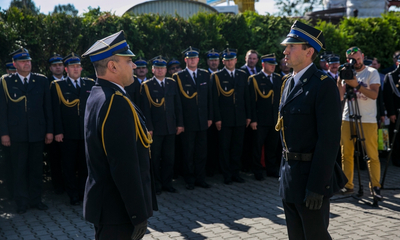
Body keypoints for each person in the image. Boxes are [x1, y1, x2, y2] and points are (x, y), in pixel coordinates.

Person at [82, 31, 156, 240]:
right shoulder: (115, 102)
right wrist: (137, 214)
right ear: (113, 66)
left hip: (108, 207)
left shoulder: (98, 93)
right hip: (118, 212)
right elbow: (123, 165)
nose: (134, 66)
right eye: (128, 61)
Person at [277, 21, 345, 239]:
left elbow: (329, 140)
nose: (285, 51)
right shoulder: (288, 82)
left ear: (309, 51)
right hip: (290, 177)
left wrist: (318, 185)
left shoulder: (323, 84)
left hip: (310, 179)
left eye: (292, 46)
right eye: (286, 46)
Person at [0, 48, 53, 214]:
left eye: (29, 61)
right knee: (19, 169)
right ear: (15, 64)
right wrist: (4, 133)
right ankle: (21, 202)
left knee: (36, 168)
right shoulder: (6, 82)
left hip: (37, 132)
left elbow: (48, 108)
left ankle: (36, 200)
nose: (27, 64)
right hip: (17, 134)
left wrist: (50, 131)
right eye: (23, 61)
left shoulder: (41, 80)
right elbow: (2, 110)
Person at [337, 46, 382, 200]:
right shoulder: (346, 72)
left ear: (362, 56)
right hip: (347, 117)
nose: (355, 61)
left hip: (367, 119)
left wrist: (356, 85)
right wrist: (340, 80)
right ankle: (348, 185)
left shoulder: (371, 72)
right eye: (352, 59)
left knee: (371, 155)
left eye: (358, 58)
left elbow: (374, 95)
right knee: (346, 154)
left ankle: (375, 187)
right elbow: (340, 96)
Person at [50, 53, 95, 205]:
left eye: (77, 66)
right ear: (66, 69)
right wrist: (58, 131)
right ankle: (73, 194)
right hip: (67, 134)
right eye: (72, 67)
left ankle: (84, 193)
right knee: (68, 166)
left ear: (81, 68)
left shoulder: (89, 84)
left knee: (84, 165)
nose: (75, 69)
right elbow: (55, 111)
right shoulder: (58, 86)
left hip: (85, 132)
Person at [141, 55, 183, 195]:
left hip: (170, 127)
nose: (160, 71)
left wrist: (179, 124)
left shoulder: (172, 83)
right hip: (156, 129)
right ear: (152, 70)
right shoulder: (146, 86)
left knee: (169, 158)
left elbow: (178, 106)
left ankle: (167, 183)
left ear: (166, 70)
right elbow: (146, 110)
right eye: (157, 68)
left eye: (162, 68)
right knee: (155, 158)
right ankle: (156, 185)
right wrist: (149, 128)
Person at [172, 47, 212, 190]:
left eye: (195, 58)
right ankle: (189, 179)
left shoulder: (205, 75)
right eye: (190, 58)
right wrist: (180, 123)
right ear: (185, 60)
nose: (192, 60)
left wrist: (210, 117)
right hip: (188, 123)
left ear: (198, 60)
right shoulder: (178, 77)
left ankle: (200, 178)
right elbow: (178, 104)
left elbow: (209, 98)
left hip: (202, 121)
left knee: (201, 152)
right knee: (188, 152)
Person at [211, 48, 251, 184]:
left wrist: (248, 116)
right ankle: (226, 175)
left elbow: (247, 97)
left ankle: (236, 173)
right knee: (224, 148)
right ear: (223, 62)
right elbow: (214, 101)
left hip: (239, 117)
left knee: (237, 147)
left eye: (232, 60)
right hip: (225, 119)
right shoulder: (217, 76)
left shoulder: (242, 74)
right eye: (227, 60)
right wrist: (217, 118)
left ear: (236, 60)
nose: (229, 62)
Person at [249, 53, 282, 180]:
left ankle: (271, 169)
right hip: (260, 119)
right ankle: (257, 170)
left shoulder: (278, 78)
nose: (273, 67)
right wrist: (253, 119)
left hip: (274, 119)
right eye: (270, 64)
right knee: (257, 147)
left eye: (274, 64)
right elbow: (251, 102)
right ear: (263, 64)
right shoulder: (255, 79)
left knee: (271, 147)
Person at [46, 53, 65, 195]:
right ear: (50, 68)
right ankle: (58, 186)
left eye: (60, 65)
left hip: (69, 127)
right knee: (55, 158)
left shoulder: (70, 81)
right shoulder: (46, 83)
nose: (58, 68)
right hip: (53, 128)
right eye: (55, 65)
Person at [383, 55, 400, 167]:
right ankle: (397, 159)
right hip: (397, 112)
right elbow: (387, 97)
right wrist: (391, 113)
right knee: (396, 137)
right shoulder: (390, 76)